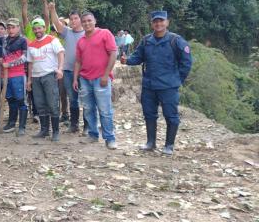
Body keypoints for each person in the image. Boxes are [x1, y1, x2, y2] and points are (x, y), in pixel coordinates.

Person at [122, 10, 192, 155]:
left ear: (167, 22)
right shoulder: (147, 40)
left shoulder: (176, 40)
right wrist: (126, 60)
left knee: (171, 116)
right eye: (155, 21)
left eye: (161, 21)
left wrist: (177, 80)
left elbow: (186, 63)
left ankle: (169, 145)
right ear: (152, 24)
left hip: (168, 87)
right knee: (149, 114)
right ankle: (150, 142)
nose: (158, 24)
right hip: (149, 85)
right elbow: (138, 57)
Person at [73, 12, 118, 149]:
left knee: (105, 110)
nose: (87, 23)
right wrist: (75, 78)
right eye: (84, 21)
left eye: (89, 20)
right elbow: (78, 62)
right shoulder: (81, 41)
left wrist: (106, 75)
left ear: (94, 21)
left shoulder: (105, 33)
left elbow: (113, 53)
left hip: (101, 79)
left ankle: (110, 138)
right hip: (85, 79)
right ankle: (93, 135)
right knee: (88, 109)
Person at [50, 0, 88, 134]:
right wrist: (52, 9)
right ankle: (74, 125)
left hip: (83, 72)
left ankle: (87, 126)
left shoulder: (87, 33)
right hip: (67, 71)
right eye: (71, 19)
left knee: (86, 99)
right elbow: (56, 23)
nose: (73, 21)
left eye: (76, 18)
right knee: (72, 99)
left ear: (80, 20)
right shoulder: (67, 32)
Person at [26, 18, 65, 141]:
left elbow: (60, 54)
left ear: (44, 28)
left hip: (49, 75)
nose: (37, 30)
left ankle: (56, 132)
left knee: (52, 103)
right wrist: (29, 80)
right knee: (40, 104)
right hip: (36, 77)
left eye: (39, 28)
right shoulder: (31, 44)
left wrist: (60, 69)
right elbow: (30, 63)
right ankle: (44, 130)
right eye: (35, 28)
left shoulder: (52, 40)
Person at [0, 18, 29, 135]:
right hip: (5, 75)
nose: (11, 30)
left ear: (18, 28)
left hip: (18, 75)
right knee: (10, 99)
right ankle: (11, 123)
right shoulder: (5, 40)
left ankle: (22, 126)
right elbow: (2, 54)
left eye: (13, 27)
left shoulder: (23, 40)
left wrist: (10, 64)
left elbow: (24, 57)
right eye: (9, 28)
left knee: (21, 100)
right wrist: (0, 60)